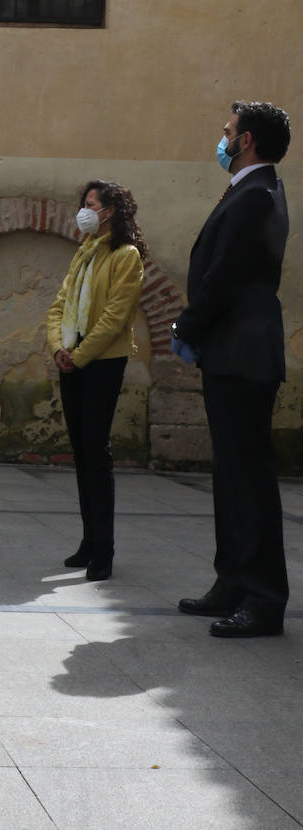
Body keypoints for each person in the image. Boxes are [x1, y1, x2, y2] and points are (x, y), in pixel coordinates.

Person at [173, 101, 291, 638]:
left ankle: (263, 597)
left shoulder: (256, 195)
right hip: (232, 349)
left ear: (245, 141)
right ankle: (233, 580)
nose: (220, 141)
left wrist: (186, 328)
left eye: (226, 134)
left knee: (249, 478)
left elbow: (224, 276)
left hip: (242, 351)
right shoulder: (250, 190)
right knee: (230, 475)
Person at [46, 181, 146, 581]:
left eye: (90, 205)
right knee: (81, 452)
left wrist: (81, 355)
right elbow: (59, 305)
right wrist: (59, 348)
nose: (84, 211)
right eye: (83, 204)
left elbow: (116, 317)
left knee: (95, 448)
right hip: (71, 358)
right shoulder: (83, 252)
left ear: (110, 211)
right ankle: (88, 540)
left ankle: (103, 548)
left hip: (103, 361)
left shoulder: (127, 256)